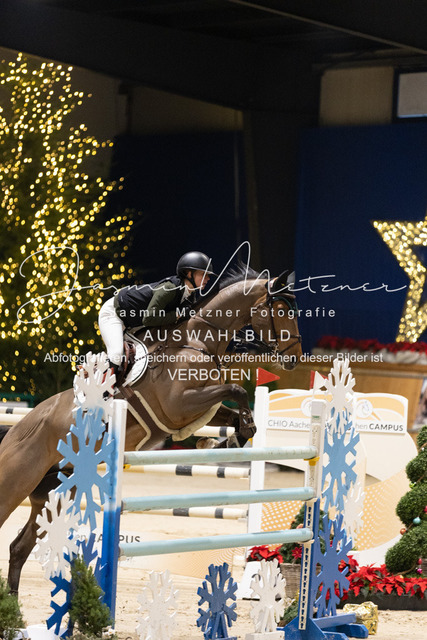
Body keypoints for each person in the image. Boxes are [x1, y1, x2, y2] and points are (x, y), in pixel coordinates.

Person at [98, 251, 215, 377]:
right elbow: (149, 319)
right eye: (204, 274)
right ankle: (103, 388)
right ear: (189, 273)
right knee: (116, 355)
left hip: (133, 323)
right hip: (113, 314)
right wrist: (176, 315)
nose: (208, 278)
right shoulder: (169, 289)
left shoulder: (189, 295)